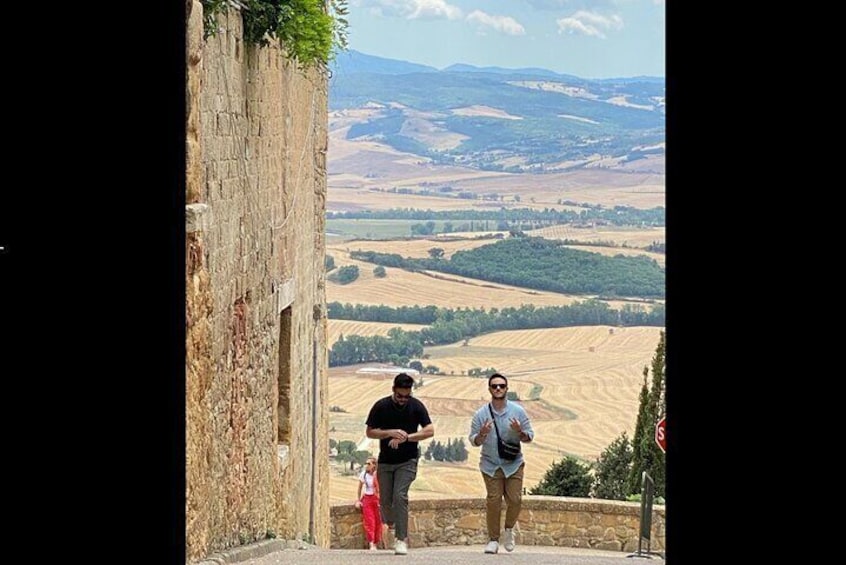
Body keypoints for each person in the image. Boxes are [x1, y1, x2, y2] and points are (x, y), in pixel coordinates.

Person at [365, 372, 435, 555]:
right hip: (387, 461)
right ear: (393, 390)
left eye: (406, 396)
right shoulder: (381, 406)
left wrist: (407, 437)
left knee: (400, 495)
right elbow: (370, 432)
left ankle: (401, 539)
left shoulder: (416, 406)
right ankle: (392, 523)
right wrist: (390, 433)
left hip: (408, 460)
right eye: (400, 396)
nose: (403, 399)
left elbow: (429, 430)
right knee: (386, 501)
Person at [468, 373, 534, 554]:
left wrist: (520, 431)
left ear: (507, 388)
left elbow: (529, 436)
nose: (498, 389)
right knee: (493, 501)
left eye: (501, 386)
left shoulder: (518, 411)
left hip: (513, 463)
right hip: (490, 465)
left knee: (515, 499)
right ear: (489, 389)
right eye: (495, 386)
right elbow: (473, 441)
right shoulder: (481, 414)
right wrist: (482, 434)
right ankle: (493, 540)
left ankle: (509, 529)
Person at [355, 456, 383, 550]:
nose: (366, 465)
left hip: (377, 499)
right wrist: (358, 500)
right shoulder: (364, 474)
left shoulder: (379, 474)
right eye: (366, 463)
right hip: (367, 498)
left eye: (369, 464)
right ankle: (371, 543)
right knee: (369, 521)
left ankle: (376, 542)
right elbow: (359, 488)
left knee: (378, 522)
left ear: (374, 465)